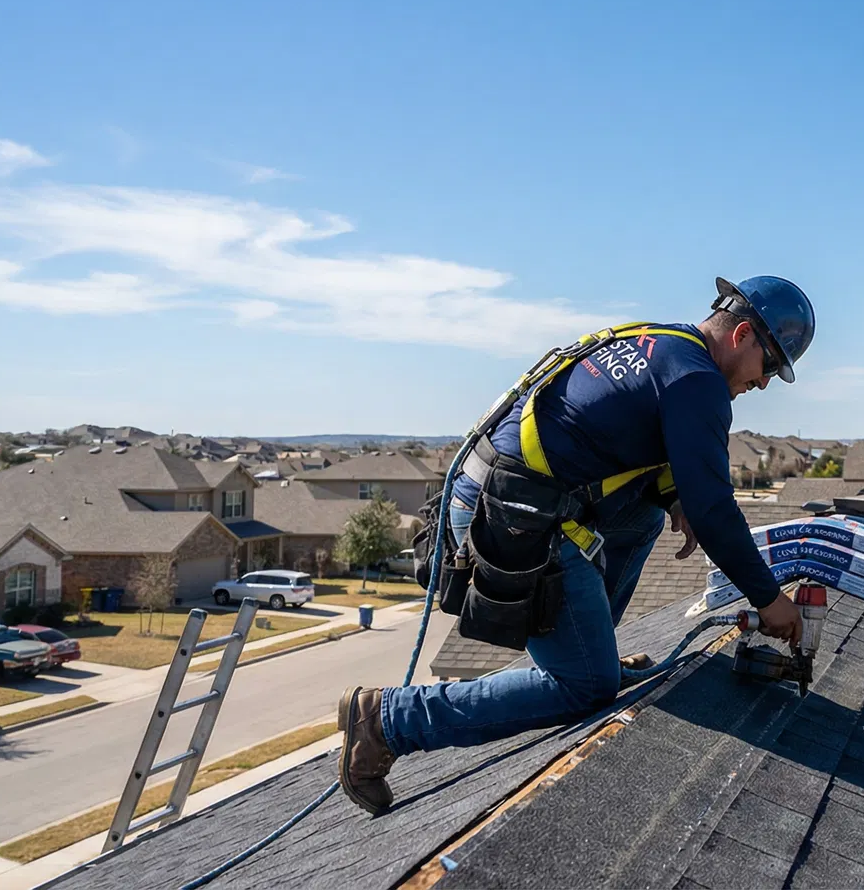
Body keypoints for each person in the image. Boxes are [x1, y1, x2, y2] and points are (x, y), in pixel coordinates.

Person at [337, 276, 815, 815]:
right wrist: (768, 599)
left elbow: (613, 436)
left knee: (642, 518)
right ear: (743, 334)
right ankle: (388, 720)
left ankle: (594, 650)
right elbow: (716, 510)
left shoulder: (659, 343)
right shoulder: (697, 381)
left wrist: (673, 493)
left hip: (501, 491)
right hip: (514, 512)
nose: (765, 383)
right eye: (769, 365)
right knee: (585, 687)